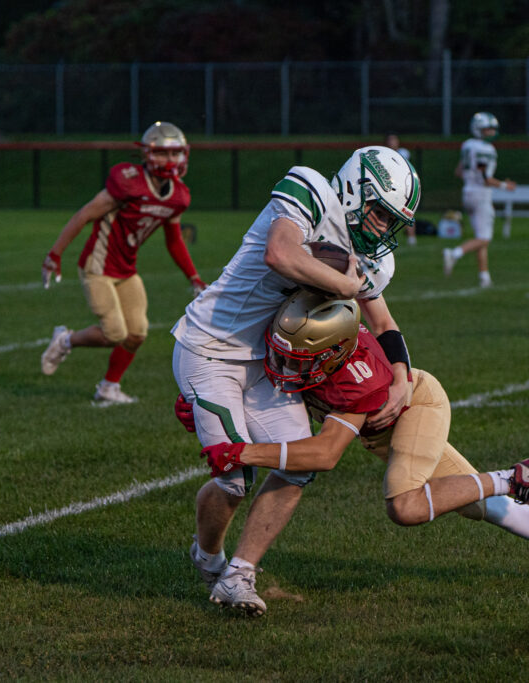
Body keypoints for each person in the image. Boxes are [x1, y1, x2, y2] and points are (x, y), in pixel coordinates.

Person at [200, 290, 529, 613]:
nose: (287, 364)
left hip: (414, 410)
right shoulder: (321, 339)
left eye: (300, 357)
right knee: (486, 507)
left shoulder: (356, 379)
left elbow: (325, 454)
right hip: (388, 430)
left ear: (333, 354)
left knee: (405, 506)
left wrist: (241, 453)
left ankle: (514, 477)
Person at [173, 146, 421, 616]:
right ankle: (209, 559)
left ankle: (240, 575)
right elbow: (280, 252)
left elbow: (383, 323)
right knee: (232, 479)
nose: (382, 230)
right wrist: (347, 285)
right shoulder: (310, 190)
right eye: (377, 214)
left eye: (392, 222)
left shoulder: (371, 259)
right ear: (353, 188)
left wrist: (402, 377)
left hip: (269, 364)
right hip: (209, 347)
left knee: (297, 464)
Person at [39, 121, 206, 405]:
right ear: (147, 154)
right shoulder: (127, 181)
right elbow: (84, 215)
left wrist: (193, 276)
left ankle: (108, 388)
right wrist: (55, 254)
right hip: (98, 266)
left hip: (127, 269)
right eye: (164, 153)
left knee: (137, 333)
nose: (170, 160)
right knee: (114, 333)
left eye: (175, 153)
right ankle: (65, 340)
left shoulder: (178, 195)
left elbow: (174, 239)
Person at [443, 112, 516, 288]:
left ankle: (484, 277)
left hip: (467, 191)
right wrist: (506, 186)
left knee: (480, 236)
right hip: (481, 193)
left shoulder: (467, 145)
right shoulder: (486, 149)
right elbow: (486, 179)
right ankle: (455, 253)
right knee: (484, 239)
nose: (491, 132)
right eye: (487, 129)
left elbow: (459, 171)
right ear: (479, 130)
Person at [384, 134, 419, 247]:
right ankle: (383, 234)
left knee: (408, 212)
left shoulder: (403, 153)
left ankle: (411, 238)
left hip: (403, 187)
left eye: (394, 140)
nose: (392, 142)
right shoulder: (384, 154)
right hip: (389, 187)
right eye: (390, 140)